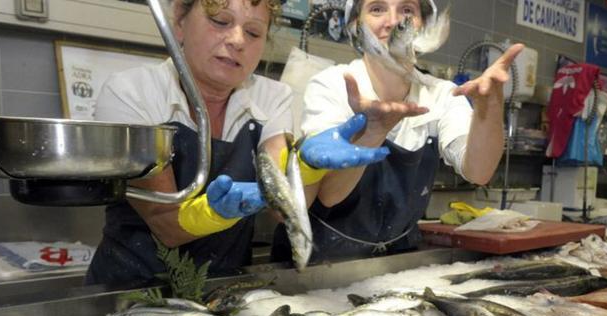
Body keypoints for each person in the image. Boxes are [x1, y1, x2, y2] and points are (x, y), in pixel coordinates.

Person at [86, 0, 386, 286]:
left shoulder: (272, 98)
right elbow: (166, 226)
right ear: (179, 20)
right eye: (220, 21)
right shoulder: (132, 93)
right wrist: (213, 213)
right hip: (128, 292)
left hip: (225, 290)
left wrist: (305, 169)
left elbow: (282, 210)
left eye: (254, 32)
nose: (237, 40)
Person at [272, 0, 524, 262]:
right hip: (316, 261)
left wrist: (491, 105)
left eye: (407, 10)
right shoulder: (334, 85)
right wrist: (373, 130)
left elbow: (479, 171)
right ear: (356, 25)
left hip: (395, 261)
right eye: (377, 9)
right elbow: (328, 195)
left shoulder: (441, 94)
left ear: (423, 26)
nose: (392, 22)